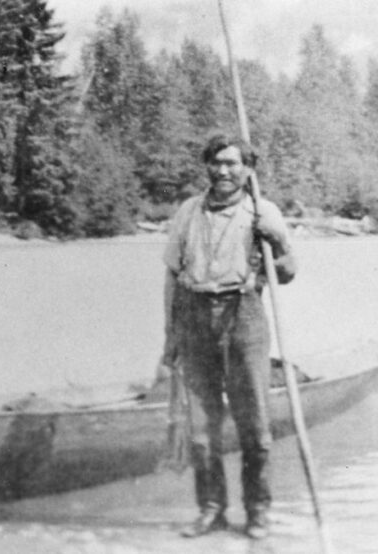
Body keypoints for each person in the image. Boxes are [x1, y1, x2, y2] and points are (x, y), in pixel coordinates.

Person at [159, 133, 296, 540]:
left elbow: (287, 272)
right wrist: (171, 332)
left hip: (244, 316)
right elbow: (171, 274)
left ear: (247, 169)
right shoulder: (188, 211)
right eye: (216, 162)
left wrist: (277, 238)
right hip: (194, 316)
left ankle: (257, 511)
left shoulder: (262, 210)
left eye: (232, 163)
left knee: (253, 422)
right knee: (202, 429)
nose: (223, 170)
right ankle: (212, 509)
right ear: (207, 166)